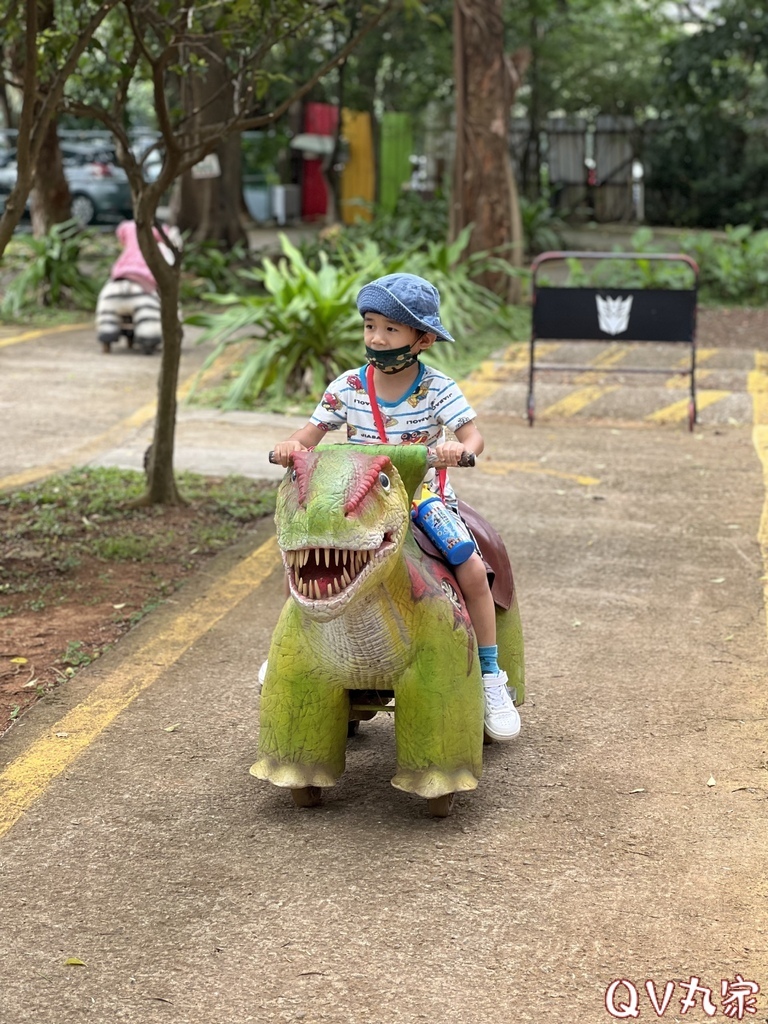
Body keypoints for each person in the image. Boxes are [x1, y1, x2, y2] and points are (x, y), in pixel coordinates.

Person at [270, 272, 521, 741]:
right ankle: (296, 648)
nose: (377, 338)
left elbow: (472, 435)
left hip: (419, 495)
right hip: (357, 498)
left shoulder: (439, 389)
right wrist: (290, 445)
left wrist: (458, 449)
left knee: (467, 564)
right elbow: (310, 434)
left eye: (391, 329)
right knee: (310, 556)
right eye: (370, 326)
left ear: (421, 339)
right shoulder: (347, 387)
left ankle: (490, 675)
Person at [95, 220, 177, 355]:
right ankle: (148, 337)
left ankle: (106, 334)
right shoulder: (157, 240)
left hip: (118, 279)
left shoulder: (127, 230)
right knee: (156, 303)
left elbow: (121, 233)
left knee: (106, 304)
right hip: (143, 282)